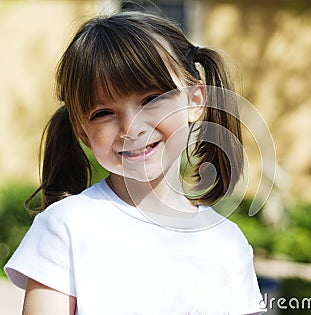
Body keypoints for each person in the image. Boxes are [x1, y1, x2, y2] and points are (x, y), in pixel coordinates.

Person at [4, 9, 264, 315]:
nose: (132, 128)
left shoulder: (227, 243)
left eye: (151, 99)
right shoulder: (67, 227)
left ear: (194, 101)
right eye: (104, 113)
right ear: (82, 133)